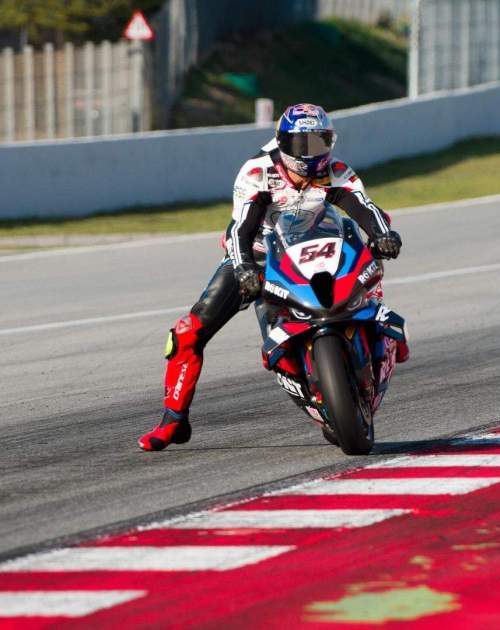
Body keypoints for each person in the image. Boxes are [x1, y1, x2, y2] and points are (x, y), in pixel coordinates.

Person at [138, 103, 407, 452]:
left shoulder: (336, 171)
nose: (309, 154)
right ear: (281, 143)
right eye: (300, 145)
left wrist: (384, 235)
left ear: (330, 142)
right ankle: (173, 420)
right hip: (261, 257)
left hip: (319, 246)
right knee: (187, 332)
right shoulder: (257, 173)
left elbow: (366, 208)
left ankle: (386, 333)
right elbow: (240, 229)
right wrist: (244, 269)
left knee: (368, 265)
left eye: (318, 142)